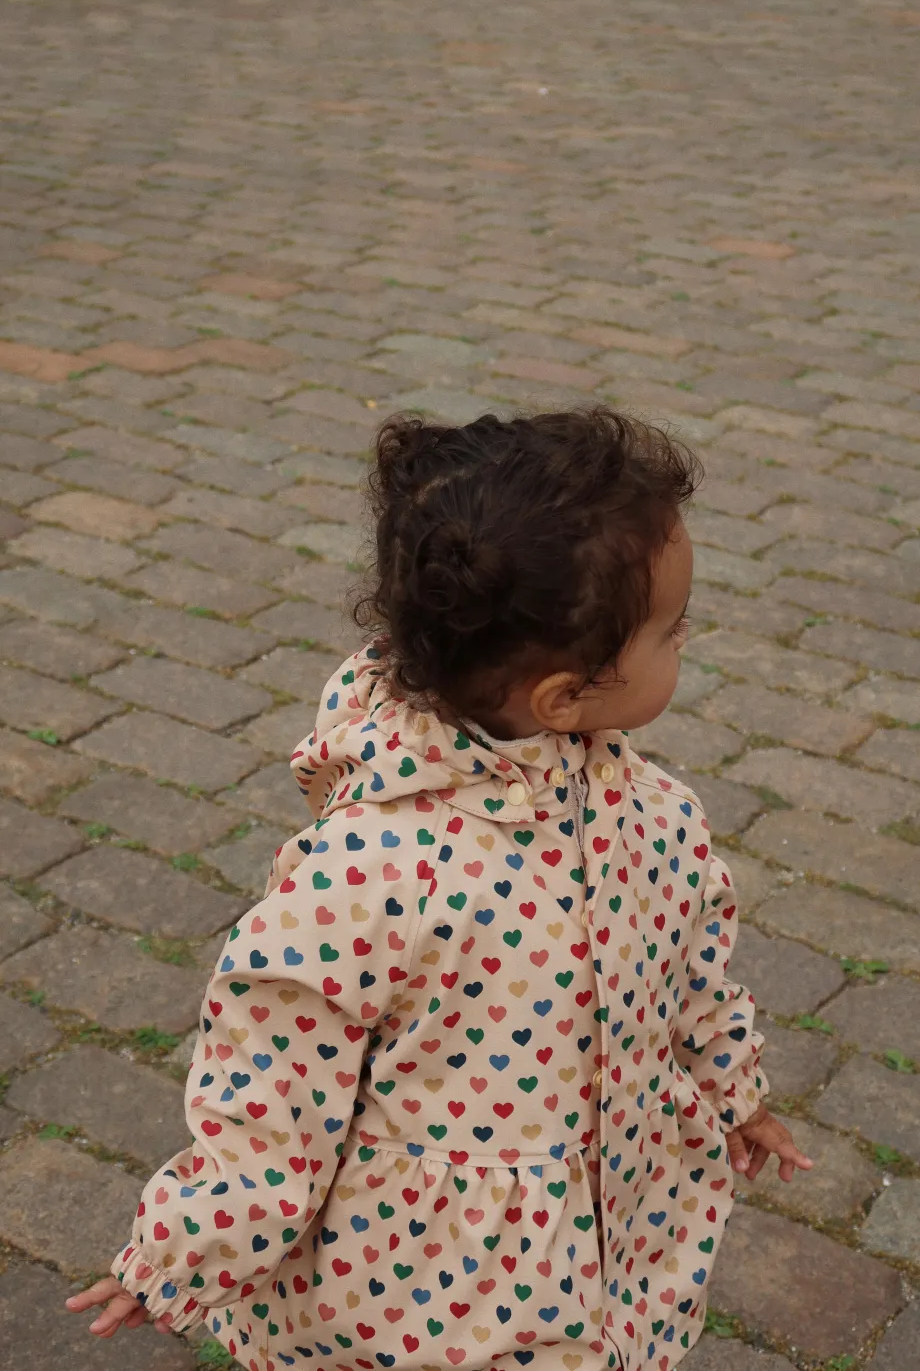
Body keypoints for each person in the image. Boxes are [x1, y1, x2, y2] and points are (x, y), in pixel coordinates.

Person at [66, 407, 812, 1371]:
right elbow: (276, 1085)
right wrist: (178, 1254)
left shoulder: (651, 813)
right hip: (432, 1290)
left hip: (615, 1217)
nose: (686, 643)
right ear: (562, 696)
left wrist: (732, 1089)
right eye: (673, 631)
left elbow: (693, 970)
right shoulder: (373, 870)